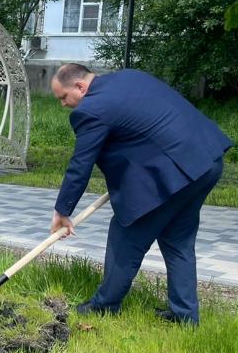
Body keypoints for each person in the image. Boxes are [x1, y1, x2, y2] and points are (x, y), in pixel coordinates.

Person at [50, 64, 232, 325]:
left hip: (175, 172)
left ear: (80, 87)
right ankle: (185, 316)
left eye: (63, 97)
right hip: (206, 159)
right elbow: (146, 126)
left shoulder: (91, 109)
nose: (64, 105)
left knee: (126, 236)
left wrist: (62, 211)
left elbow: (81, 164)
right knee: (177, 239)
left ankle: (105, 305)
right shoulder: (130, 77)